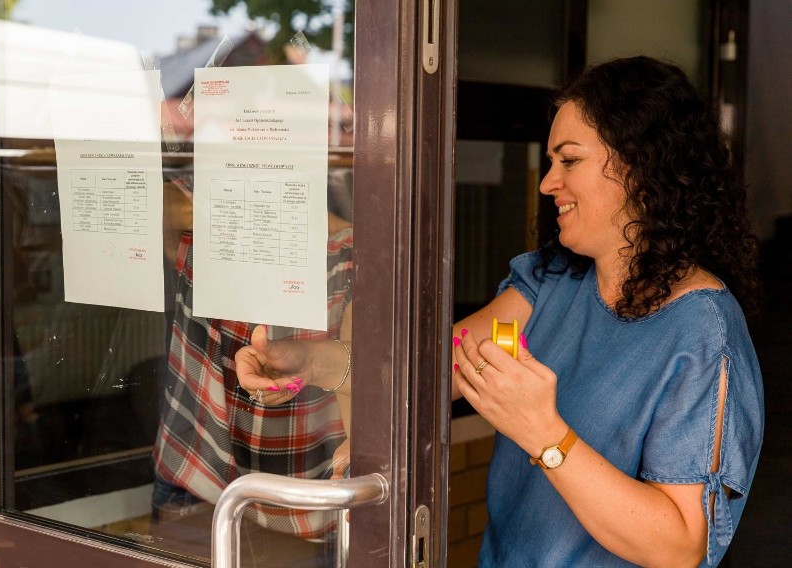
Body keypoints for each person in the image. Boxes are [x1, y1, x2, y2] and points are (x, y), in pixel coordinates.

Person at [236, 56, 764, 567]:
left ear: (642, 168)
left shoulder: (702, 332)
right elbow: (427, 374)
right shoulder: (553, 285)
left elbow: (678, 547)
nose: (547, 182)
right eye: (551, 160)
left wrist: (544, 434)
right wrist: (309, 362)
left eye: (570, 160)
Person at [151, 169, 355, 565]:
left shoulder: (351, 253)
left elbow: (362, 380)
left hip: (299, 510)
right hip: (192, 479)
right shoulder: (195, 210)